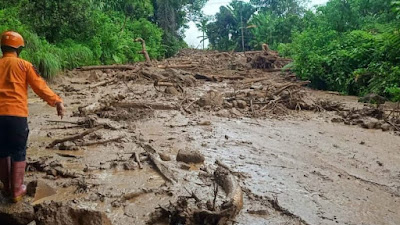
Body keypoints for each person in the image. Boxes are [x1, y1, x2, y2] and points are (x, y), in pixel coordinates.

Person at [0, 31, 65, 203]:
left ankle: (6, 187)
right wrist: (57, 101)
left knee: (2, 151)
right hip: (17, 116)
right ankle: (17, 190)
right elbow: (40, 87)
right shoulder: (25, 66)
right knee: (18, 151)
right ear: (19, 48)